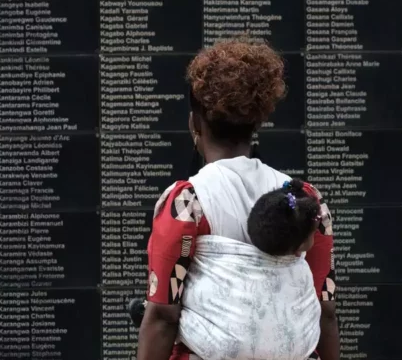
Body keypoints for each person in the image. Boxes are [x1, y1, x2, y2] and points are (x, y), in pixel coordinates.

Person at [137, 38, 338, 360]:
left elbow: (163, 316)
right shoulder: (306, 199)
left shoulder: (187, 202)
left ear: (195, 122)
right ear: (257, 122)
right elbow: (324, 309)